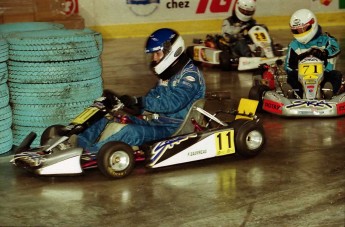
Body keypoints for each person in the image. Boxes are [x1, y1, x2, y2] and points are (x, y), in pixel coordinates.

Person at [76, 28, 206, 153]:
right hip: (157, 122)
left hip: (174, 129)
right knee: (108, 115)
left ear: (172, 51)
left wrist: (141, 102)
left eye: (157, 53)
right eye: (153, 54)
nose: (154, 58)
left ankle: (90, 153)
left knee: (131, 132)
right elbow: (154, 96)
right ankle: (78, 145)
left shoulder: (190, 76)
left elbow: (173, 103)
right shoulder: (169, 74)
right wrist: (132, 105)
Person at [284, 8, 342, 99]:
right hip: (302, 79)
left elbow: (336, 48)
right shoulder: (294, 45)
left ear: (312, 24)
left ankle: (328, 94)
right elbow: (287, 67)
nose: (300, 32)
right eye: (297, 30)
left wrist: (324, 53)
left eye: (303, 29)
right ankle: (294, 95)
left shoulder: (326, 40)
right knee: (291, 76)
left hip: (324, 76)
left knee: (336, 75)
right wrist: (295, 64)